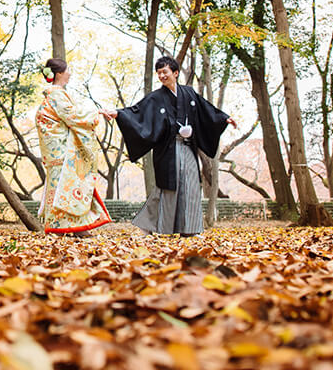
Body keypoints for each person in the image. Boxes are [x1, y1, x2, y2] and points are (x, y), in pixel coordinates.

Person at [100, 55, 235, 236]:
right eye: (159, 73)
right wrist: (118, 113)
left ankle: (191, 229)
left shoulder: (189, 93)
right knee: (169, 188)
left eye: (165, 72)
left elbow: (206, 110)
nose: (162, 76)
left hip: (188, 147)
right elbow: (138, 112)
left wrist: (224, 118)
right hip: (168, 150)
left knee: (192, 186)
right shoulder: (156, 98)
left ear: (176, 73)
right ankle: (161, 227)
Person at [35, 57, 112, 236]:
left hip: (57, 149)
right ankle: (63, 228)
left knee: (64, 187)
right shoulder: (56, 94)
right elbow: (73, 116)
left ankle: (69, 227)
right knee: (67, 186)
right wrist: (96, 112)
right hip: (63, 150)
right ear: (60, 73)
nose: (70, 73)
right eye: (68, 70)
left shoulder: (54, 94)